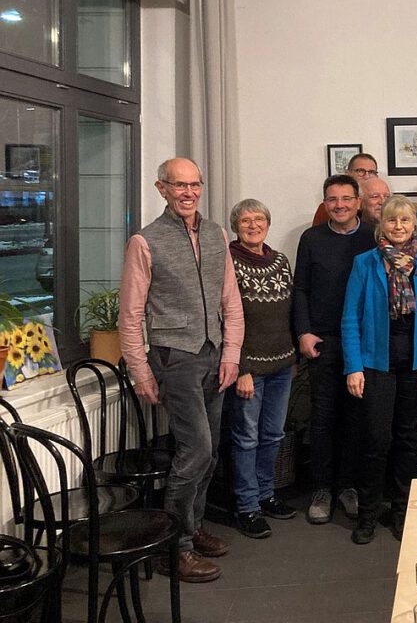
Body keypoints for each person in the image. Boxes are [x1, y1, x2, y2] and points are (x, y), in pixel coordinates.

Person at [118, 157, 242, 582]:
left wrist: (232, 354)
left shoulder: (215, 234)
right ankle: (174, 548)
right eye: (179, 185)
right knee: (196, 452)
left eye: (195, 185)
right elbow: (131, 315)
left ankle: (194, 525)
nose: (188, 193)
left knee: (209, 453)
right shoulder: (145, 241)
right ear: (161, 188)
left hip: (213, 354)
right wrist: (140, 371)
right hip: (175, 359)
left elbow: (231, 300)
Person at [342, 196, 417, 543]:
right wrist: (353, 367)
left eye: (405, 221)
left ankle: (404, 512)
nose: (399, 227)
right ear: (382, 226)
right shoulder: (365, 263)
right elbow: (350, 318)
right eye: (392, 221)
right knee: (376, 441)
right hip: (376, 365)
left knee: (409, 441)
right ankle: (368, 514)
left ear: (415, 225)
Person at [293, 174, 375, 525]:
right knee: (324, 418)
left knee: (358, 419)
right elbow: (300, 290)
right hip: (324, 341)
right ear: (324, 203)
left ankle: (349, 486)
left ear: (358, 201)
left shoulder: (374, 236)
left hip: (364, 343)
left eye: (345, 198)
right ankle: (323, 489)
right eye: (332, 199)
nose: (339, 204)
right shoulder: (311, 238)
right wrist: (304, 332)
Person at [227, 199, 297, 539]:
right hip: (248, 369)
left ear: (268, 224)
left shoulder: (280, 262)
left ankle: (267, 495)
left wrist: (294, 357)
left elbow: (289, 311)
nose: (253, 225)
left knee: (273, 435)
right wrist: (240, 367)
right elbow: (223, 318)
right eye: (245, 221)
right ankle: (247, 506)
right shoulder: (228, 262)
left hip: (283, 364)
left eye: (259, 219)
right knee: (246, 438)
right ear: (235, 227)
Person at [312, 153, 380, 226]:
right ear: (348, 173)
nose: (367, 176)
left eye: (371, 172)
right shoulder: (329, 208)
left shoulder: (383, 204)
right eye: (360, 171)